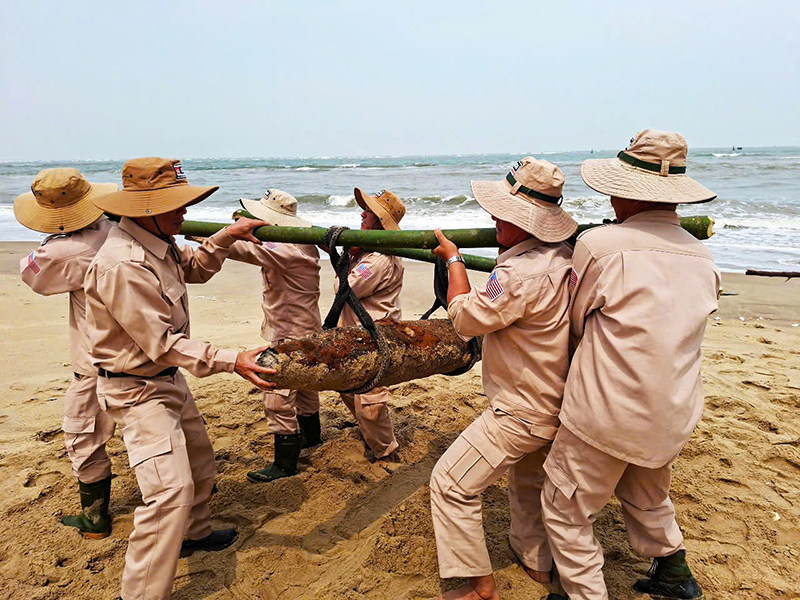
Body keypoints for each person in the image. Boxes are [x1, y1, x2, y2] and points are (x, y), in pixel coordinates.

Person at [84, 157, 276, 600]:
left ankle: (193, 535)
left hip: (164, 380)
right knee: (170, 491)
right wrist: (233, 360)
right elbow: (162, 342)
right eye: (177, 205)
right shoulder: (124, 265)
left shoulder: (156, 240)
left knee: (200, 463)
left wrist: (225, 237)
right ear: (146, 208)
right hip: (136, 390)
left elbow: (194, 268)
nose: (185, 212)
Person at [541, 130, 721, 600]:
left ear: (624, 191)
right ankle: (674, 573)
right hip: (673, 410)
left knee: (566, 506)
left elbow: (574, 322)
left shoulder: (600, 246)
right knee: (646, 488)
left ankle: (582, 592)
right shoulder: (703, 257)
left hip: (608, 410)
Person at [429, 158, 578, 600]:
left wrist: (454, 260)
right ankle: (536, 566)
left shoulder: (517, 274)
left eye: (504, 214)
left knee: (451, 482)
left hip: (521, 408)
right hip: (558, 401)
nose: (494, 218)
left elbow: (464, 318)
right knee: (528, 484)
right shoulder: (565, 257)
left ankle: (480, 587)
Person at [15, 168, 119, 538]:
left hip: (96, 363)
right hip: (147, 356)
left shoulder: (65, 251)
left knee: (83, 435)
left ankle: (94, 519)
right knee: (163, 434)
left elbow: (32, 274)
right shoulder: (122, 232)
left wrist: (57, 239)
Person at [225, 189, 323, 482]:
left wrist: (222, 233)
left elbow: (235, 249)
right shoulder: (301, 244)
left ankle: (284, 464)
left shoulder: (283, 250)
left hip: (289, 332)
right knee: (306, 387)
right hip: (307, 328)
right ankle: (311, 438)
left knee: (277, 394)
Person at [333, 188, 405, 460]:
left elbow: (343, 288)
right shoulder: (374, 254)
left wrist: (349, 257)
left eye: (370, 212)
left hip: (374, 338)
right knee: (351, 387)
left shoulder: (376, 260)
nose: (362, 214)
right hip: (361, 335)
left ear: (380, 222)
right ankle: (375, 440)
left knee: (370, 400)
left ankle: (386, 452)